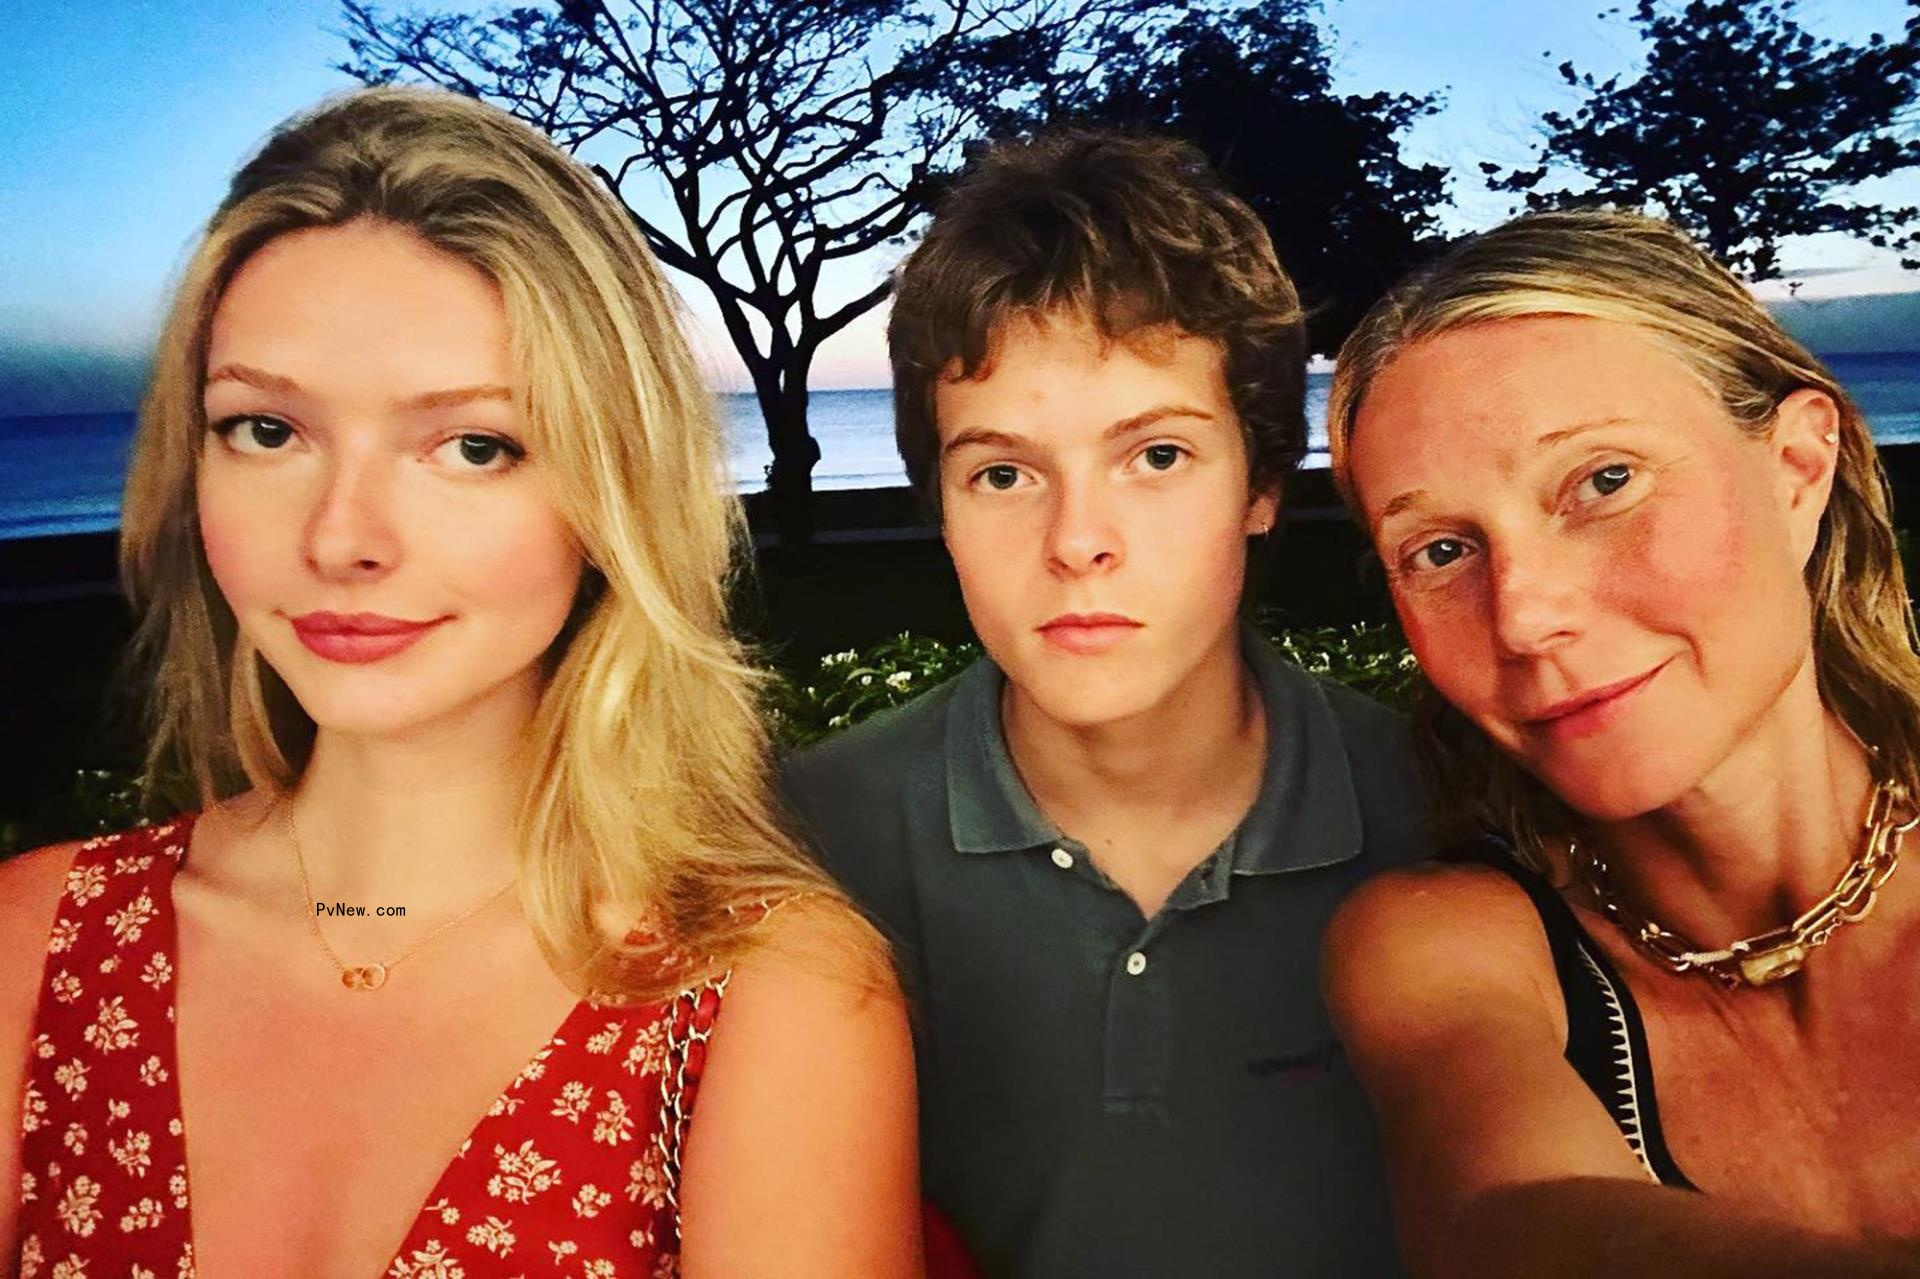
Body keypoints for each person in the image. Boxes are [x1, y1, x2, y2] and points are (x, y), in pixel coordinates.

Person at [0, 86, 921, 1278]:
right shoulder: (35, 946)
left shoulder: (762, 1005)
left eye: (474, 445)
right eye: (266, 430)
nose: (342, 538)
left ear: (609, 495)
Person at [781, 131, 1427, 1277]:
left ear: (1264, 483)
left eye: (1158, 456)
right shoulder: (802, 847)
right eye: (1004, 473)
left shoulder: (1444, 820)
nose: (1077, 541)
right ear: (941, 502)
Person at [1321, 208, 1920, 1279]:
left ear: (1795, 467)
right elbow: (1508, 1220)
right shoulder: (1450, 952)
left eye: (1603, 482)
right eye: (1443, 549)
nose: (1523, 616)